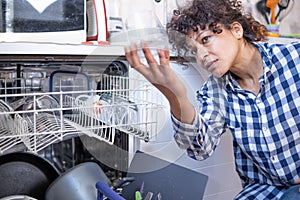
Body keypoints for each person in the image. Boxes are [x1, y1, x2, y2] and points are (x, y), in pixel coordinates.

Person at [124, 0, 300, 199]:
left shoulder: (294, 58)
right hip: (264, 188)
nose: (201, 56)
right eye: (193, 50)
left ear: (236, 30)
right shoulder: (216, 90)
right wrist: (176, 95)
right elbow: (200, 148)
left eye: (205, 40)